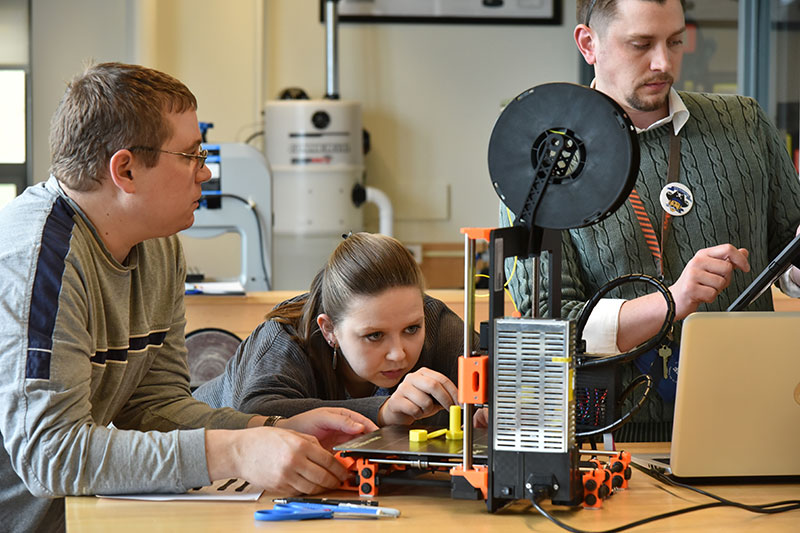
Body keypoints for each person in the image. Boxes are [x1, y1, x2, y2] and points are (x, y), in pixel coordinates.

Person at [0, 62, 377, 533]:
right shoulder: (37, 262)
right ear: (126, 169)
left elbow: (155, 405)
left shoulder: (158, 244)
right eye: (192, 155)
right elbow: (51, 456)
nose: (206, 171)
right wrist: (236, 452)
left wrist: (270, 431)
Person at [502, 0, 800, 440]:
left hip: (750, 422)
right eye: (640, 44)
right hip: (614, 442)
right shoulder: (542, 160)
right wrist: (670, 303)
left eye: (675, 41)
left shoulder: (745, 124)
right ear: (589, 44)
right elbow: (552, 326)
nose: (663, 63)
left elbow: (787, 260)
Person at [194, 232, 481, 428]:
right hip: (192, 451)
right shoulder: (284, 337)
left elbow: (503, 384)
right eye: (375, 335)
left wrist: (492, 415)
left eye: (411, 329)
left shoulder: (436, 323)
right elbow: (255, 413)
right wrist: (383, 412)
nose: (398, 354)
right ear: (329, 329)